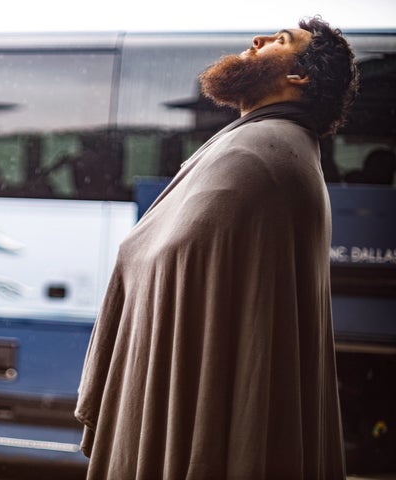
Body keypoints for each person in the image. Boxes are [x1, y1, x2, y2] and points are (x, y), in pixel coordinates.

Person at [75, 16, 358, 479]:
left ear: (298, 76)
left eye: (279, 41)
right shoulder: (273, 145)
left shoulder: (258, 153)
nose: (258, 40)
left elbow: (179, 261)